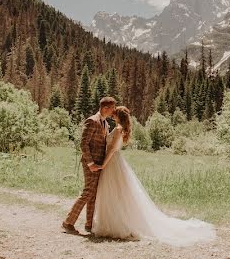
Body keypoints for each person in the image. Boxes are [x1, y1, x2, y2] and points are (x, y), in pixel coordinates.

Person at [92, 105, 216, 246]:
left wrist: (103, 164)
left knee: (115, 193)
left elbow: (113, 149)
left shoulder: (119, 129)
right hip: (115, 163)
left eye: (114, 113)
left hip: (112, 163)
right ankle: (114, 221)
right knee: (117, 193)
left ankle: (117, 223)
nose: (112, 115)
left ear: (118, 116)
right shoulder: (119, 128)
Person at [62, 96, 116, 234]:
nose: (113, 111)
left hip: (100, 164)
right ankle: (68, 222)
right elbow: (83, 143)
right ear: (105, 108)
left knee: (93, 194)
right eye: (112, 108)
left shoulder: (106, 124)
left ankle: (89, 224)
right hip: (90, 163)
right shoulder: (92, 121)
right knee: (88, 192)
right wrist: (91, 163)